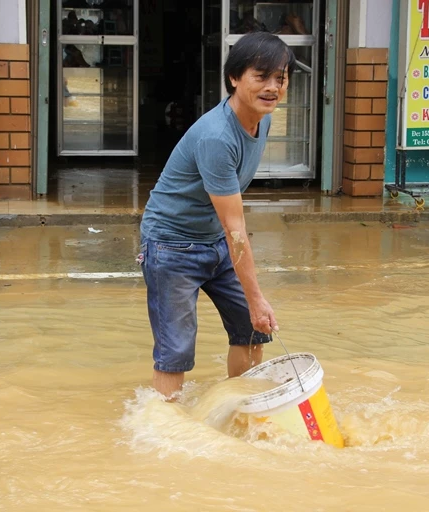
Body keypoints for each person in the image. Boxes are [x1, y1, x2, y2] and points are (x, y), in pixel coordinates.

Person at [138, 32, 295, 398]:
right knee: (174, 351)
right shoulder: (216, 137)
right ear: (234, 78)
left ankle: (241, 408)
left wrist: (253, 305)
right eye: (262, 76)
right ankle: (165, 429)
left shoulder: (262, 118)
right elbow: (235, 228)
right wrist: (257, 297)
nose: (272, 87)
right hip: (170, 246)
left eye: (281, 78)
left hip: (215, 239)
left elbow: (230, 225)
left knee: (253, 330)